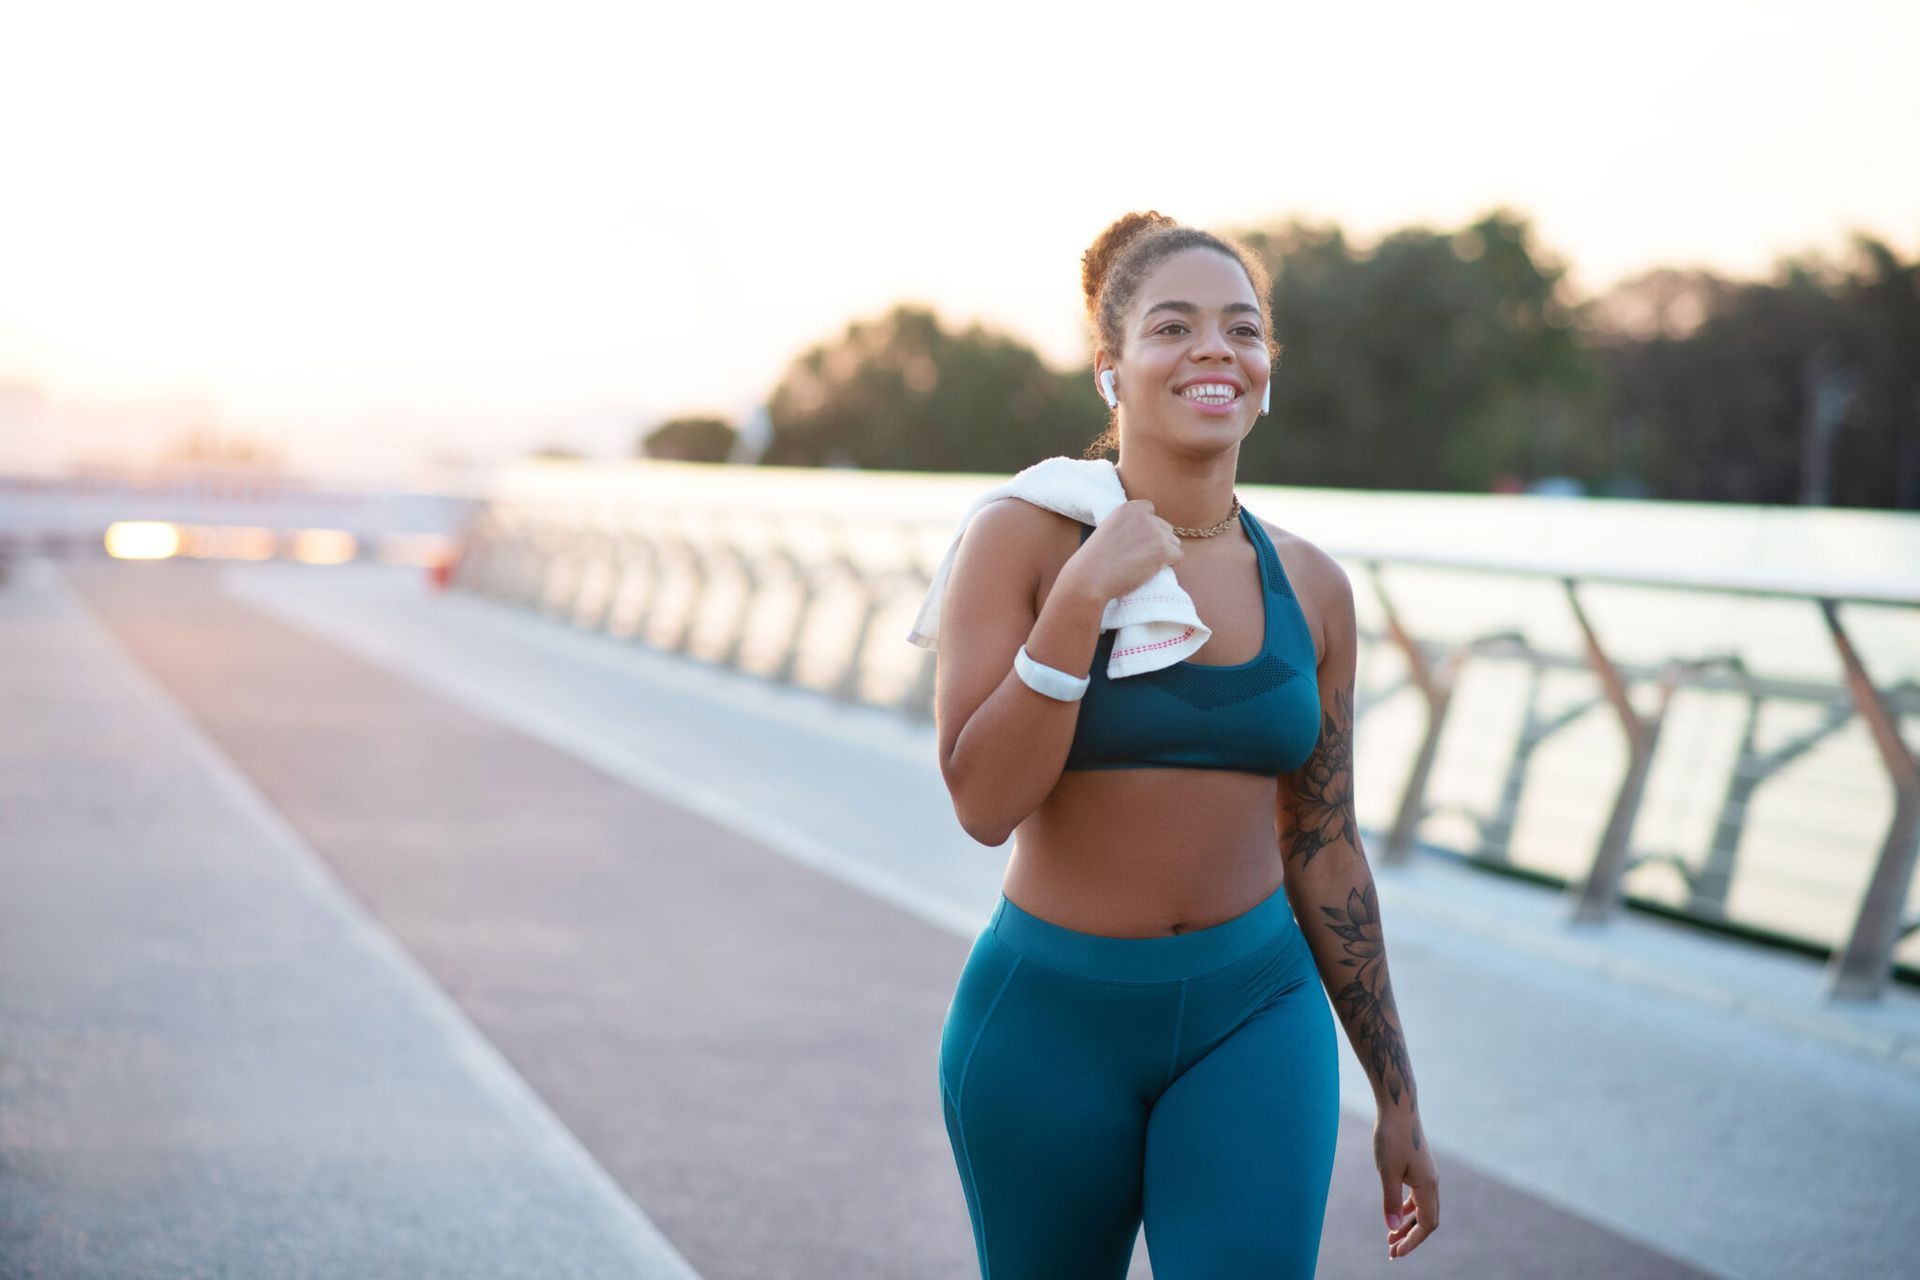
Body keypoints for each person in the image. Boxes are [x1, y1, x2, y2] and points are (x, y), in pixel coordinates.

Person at [931, 211, 1439, 1276]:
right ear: (1111, 368)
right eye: (1174, 327)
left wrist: (1396, 1094)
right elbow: (981, 803)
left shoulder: (1312, 586)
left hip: (1256, 1011)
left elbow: (1326, 846)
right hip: (1049, 1023)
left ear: (1266, 370)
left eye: (1241, 329)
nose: (1215, 348)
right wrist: (1081, 597)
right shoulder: (1022, 538)